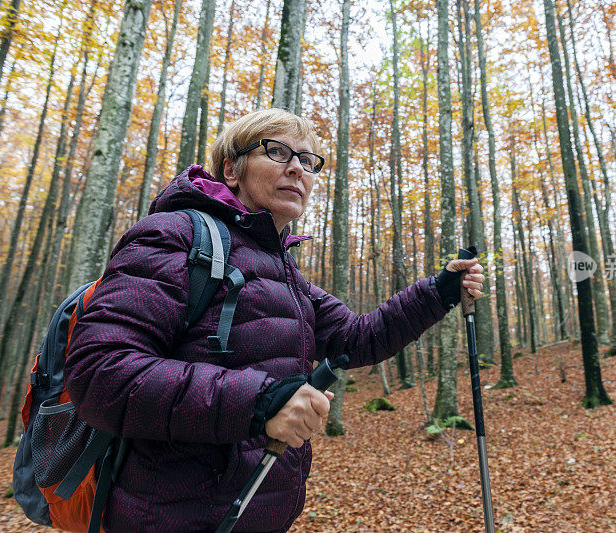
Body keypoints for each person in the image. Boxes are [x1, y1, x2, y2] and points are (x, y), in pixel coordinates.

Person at [65, 108, 485, 532]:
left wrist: (438, 292)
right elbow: (100, 372)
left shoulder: (281, 269)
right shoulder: (173, 236)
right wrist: (262, 401)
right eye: (278, 152)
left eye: (307, 161)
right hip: (171, 517)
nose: (296, 169)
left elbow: (357, 339)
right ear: (231, 169)